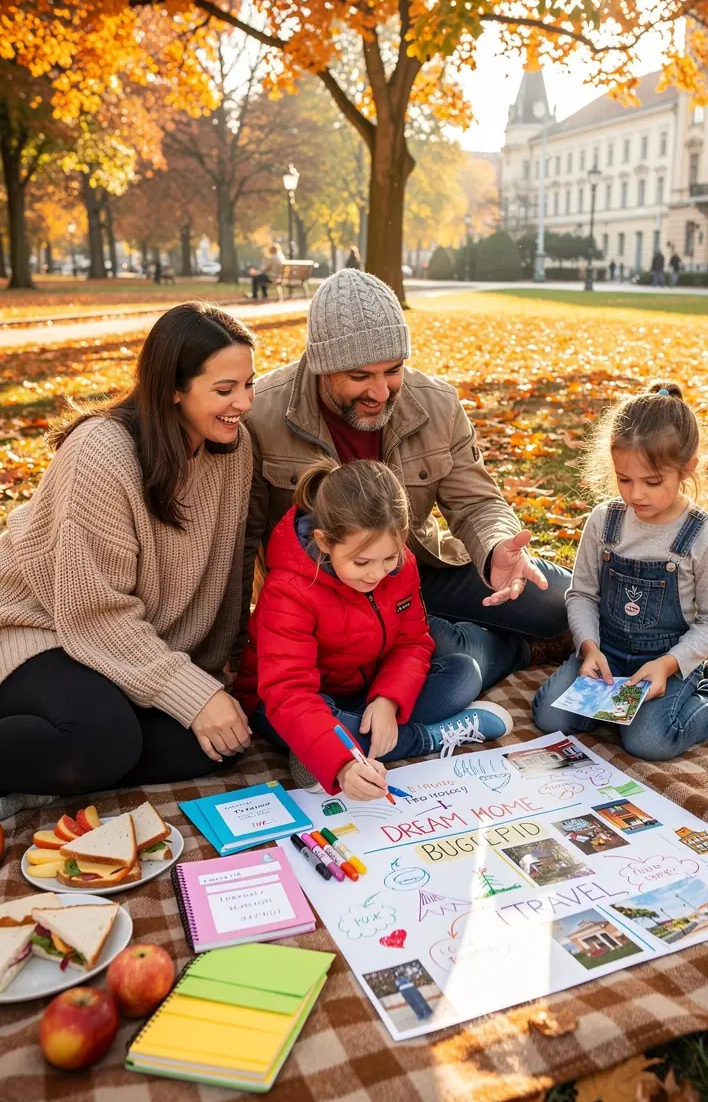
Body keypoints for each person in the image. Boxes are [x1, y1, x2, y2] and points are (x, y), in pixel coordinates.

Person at [240, 268, 571, 697]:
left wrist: (495, 549)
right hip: (320, 596)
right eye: (360, 376)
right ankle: (506, 649)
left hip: (416, 570)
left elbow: (476, 502)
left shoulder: (437, 403)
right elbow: (240, 542)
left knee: (560, 601)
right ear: (322, 367)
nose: (380, 392)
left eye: (393, 370)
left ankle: (459, 631)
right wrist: (234, 649)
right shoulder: (261, 414)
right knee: (445, 653)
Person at [0, 303, 257, 819]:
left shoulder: (233, 449)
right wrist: (190, 693)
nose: (244, 403)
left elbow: (228, 577)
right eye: (225, 390)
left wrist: (215, 678)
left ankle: (51, 771)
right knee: (100, 741)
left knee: (206, 747)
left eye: (250, 384)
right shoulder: (102, 452)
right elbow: (93, 612)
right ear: (172, 388)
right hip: (41, 627)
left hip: (129, 647)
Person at [533, 382, 708, 760]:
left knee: (649, 742)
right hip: (606, 654)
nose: (636, 495)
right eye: (624, 479)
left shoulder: (705, 538)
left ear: (687, 469)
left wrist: (669, 665)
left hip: (669, 662)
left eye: (652, 482)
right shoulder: (604, 521)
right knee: (550, 718)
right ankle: (620, 710)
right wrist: (588, 647)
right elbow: (582, 594)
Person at [235, 459, 512, 794]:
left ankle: (334, 750)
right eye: (361, 562)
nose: (377, 574)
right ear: (324, 542)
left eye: (389, 558)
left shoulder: (402, 566)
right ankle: (428, 738)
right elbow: (288, 693)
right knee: (324, 728)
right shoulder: (290, 590)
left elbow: (412, 642)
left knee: (463, 671)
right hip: (292, 703)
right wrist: (343, 763)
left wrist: (388, 700)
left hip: (366, 691)